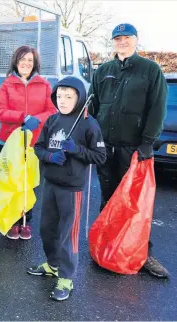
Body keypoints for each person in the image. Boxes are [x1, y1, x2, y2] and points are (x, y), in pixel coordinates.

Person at [88, 23, 169, 278]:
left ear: (136, 40)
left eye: (127, 38)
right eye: (117, 38)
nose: (122, 42)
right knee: (108, 197)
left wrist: (147, 142)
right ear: (113, 42)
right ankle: (106, 246)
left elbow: (157, 108)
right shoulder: (104, 70)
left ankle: (142, 253)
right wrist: (91, 137)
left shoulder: (150, 70)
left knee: (134, 203)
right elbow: (93, 105)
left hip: (133, 149)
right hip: (105, 146)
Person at [27, 76, 107, 301]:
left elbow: (100, 156)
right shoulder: (52, 120)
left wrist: (76, 150)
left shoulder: (88, 123)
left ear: (80, 98)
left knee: (67, 235)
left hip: (72, 188)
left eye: (69, 97)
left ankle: (66, 277)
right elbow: (38, 148)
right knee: (47, 229)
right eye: (59, 96)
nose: (62, 101)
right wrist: (51, 156)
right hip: (51, 184)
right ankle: (53, 265)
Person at [0, 45, 57, 240]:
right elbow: (0, 112)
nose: (26, 63)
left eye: (30, 60)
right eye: (23, 59)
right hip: (11, 141)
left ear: (35, 63)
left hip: (35, 142)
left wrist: (37, 119)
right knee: (11, 180)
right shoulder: (7, 84)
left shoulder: (44, 85)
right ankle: (13, 220)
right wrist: (22, 117)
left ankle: (25, 219)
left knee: (29, 182)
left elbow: (52, 110)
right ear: (16, 61)